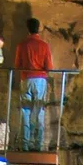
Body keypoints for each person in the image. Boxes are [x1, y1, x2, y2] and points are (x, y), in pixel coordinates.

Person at [13, 18, 53, 150]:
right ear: (38, 28)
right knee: (39, 110)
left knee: (26, 111)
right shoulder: (44, 45)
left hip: (26, 78)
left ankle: (25, 144)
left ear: (28, 29)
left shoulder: (22, 45)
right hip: (40, 79)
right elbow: (49, 66)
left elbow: (17, 65)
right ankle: (38, 144)